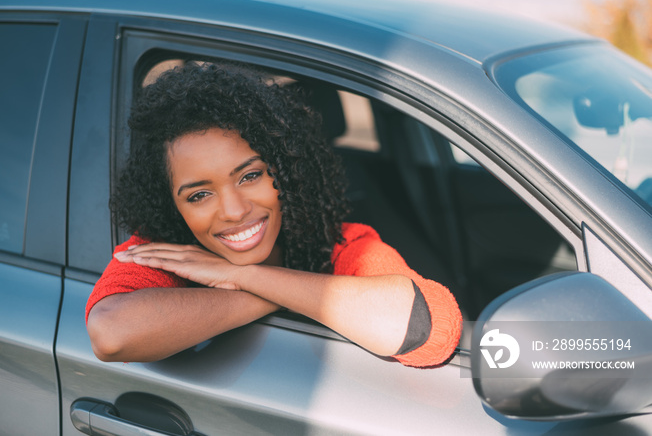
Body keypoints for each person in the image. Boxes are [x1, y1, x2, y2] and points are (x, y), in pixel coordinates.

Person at [86, 62, 462, 367]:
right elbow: (112, 333)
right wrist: (270, 292)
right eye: (199, 195)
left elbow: (428, 329)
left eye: (250, 175)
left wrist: (242, 275)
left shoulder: (339, 243)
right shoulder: (164, 253)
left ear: (284, 169)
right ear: (172, 205)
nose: (234, 211)